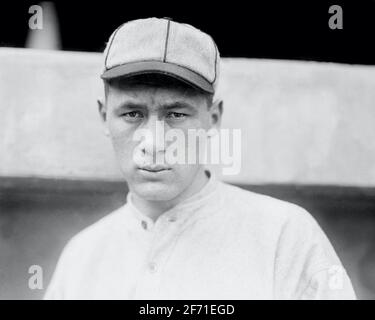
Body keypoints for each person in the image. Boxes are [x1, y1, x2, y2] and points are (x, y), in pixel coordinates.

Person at [44, 17, 356, 299]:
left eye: (176, 114)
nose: (153, 142)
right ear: (104, 117)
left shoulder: (284, 235)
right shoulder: (81, 258)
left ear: (214, 118)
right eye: (132, 113)